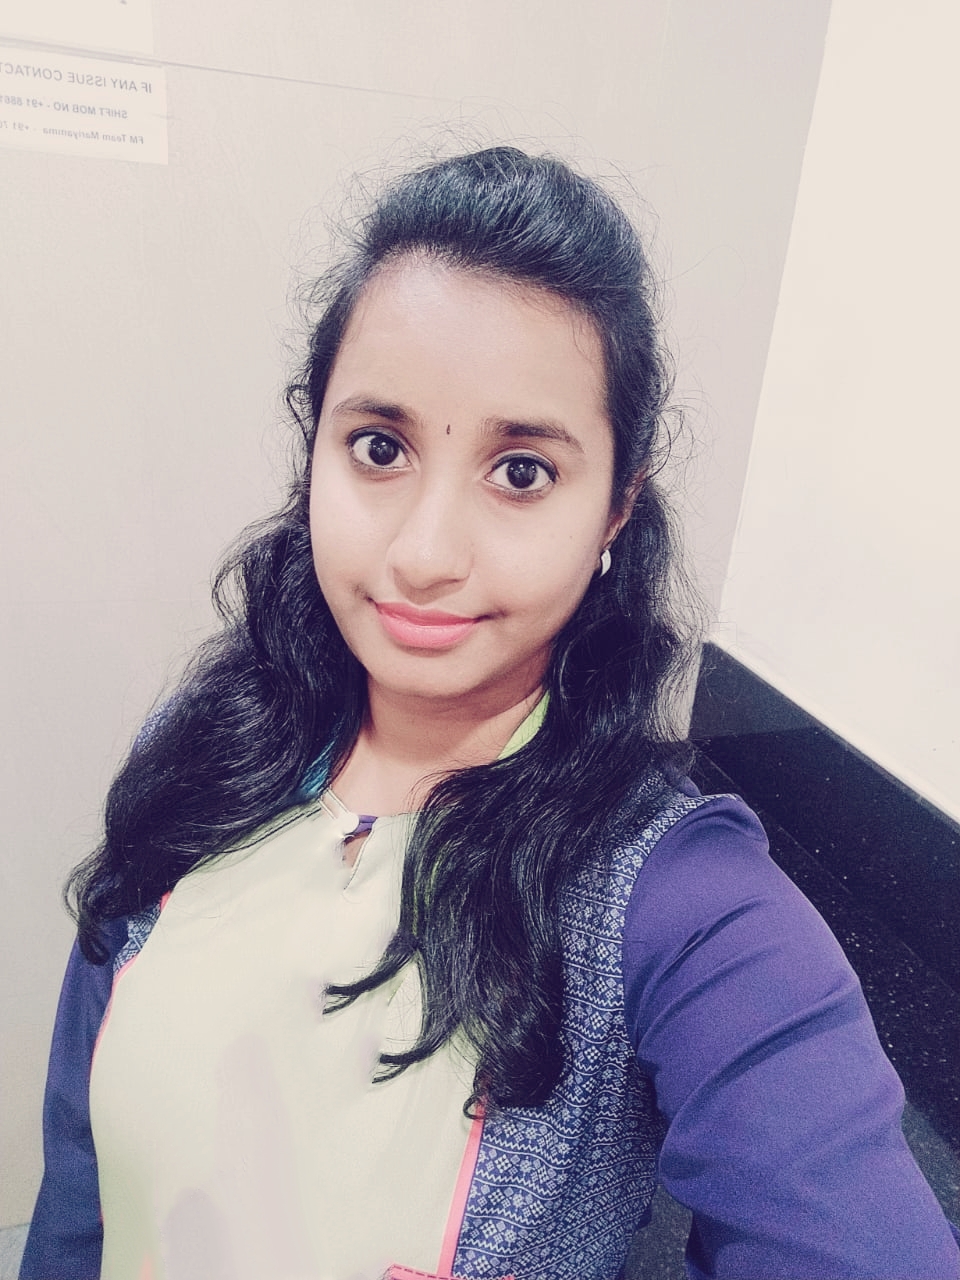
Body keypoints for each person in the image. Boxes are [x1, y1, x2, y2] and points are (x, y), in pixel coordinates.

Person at [20, 147, 960, 1280]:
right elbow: (80, 1182)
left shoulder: (675, 898)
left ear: (615, 508)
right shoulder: (201, 748)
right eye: (380, 448)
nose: (425, 553)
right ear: (315, 447)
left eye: (521, 472)